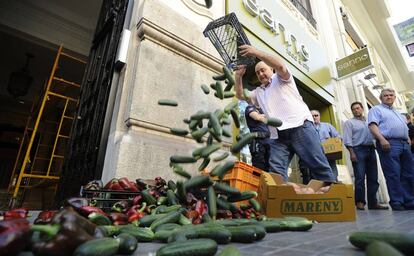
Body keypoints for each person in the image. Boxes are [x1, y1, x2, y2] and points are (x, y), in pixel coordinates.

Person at [234, 44, 335, 183]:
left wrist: (256, 52)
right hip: (278, 135)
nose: (260, 74)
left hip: (300, 127)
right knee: (276, 172)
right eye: (257, 73)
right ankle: (280, 201)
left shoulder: (281, 78)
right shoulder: (258, 92)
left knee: (318, 165)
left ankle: (336, 197)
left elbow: (281, 65)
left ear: (271, 69)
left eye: (263, 70)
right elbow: (240, 96)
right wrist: (238, 77)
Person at [368, 88, 414, 211]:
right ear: (381, 98)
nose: (389, 97)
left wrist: (408, 139)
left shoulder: (398, 112)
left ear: (394, 97)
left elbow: (404, 127)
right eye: (386, 95)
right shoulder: (376, 109)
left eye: (391, 95)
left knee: (408, 173)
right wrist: (382, 139)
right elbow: (372, 125)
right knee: (393, 173)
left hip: (404, 144)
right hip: (389, 143)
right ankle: (397, 201)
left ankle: (409, 201)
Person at [343, 102, 388, 210]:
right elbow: (347, 139)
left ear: (362, 109)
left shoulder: (369, 122)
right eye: (353, 109)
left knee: (373, 177)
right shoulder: (349, 123)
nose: (356, 110)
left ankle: (373, 203)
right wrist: (352, 153)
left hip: (371, 149)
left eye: (358, 108)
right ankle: (360, 202)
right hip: (358, 150)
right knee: (360, 178)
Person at [311, 110, 340, 181]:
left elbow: (338, 137)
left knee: (332, 170)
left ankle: (333, 185)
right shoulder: (307, 129)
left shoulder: (327, 126)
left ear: (319, 116)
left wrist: (331, 141)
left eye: (316, 115)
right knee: (317, 174)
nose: (314, 117)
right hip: (315, 155)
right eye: (312, 116)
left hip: (329, 153)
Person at [244, 104, 272, 171]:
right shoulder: (250, 107)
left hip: (268, 141)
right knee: (258, 166)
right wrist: (266, 116)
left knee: (270, 165)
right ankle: (256, 181)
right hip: (258, 140)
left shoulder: (264, 109)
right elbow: (257, 117)